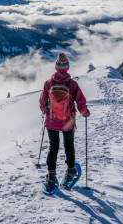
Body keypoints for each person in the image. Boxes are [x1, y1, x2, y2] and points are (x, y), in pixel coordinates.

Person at [39, 53, 90, 192]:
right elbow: (81, 102)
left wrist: (46, 111)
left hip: (51, 121)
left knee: (53, 147)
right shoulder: (72, 85)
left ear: (56, 67)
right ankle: (70, 171)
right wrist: (85, 112)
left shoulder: (48, 83)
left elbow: (42, 103)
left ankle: (51, 175)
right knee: (69, 145)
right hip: (68, 121)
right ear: (67, 68)